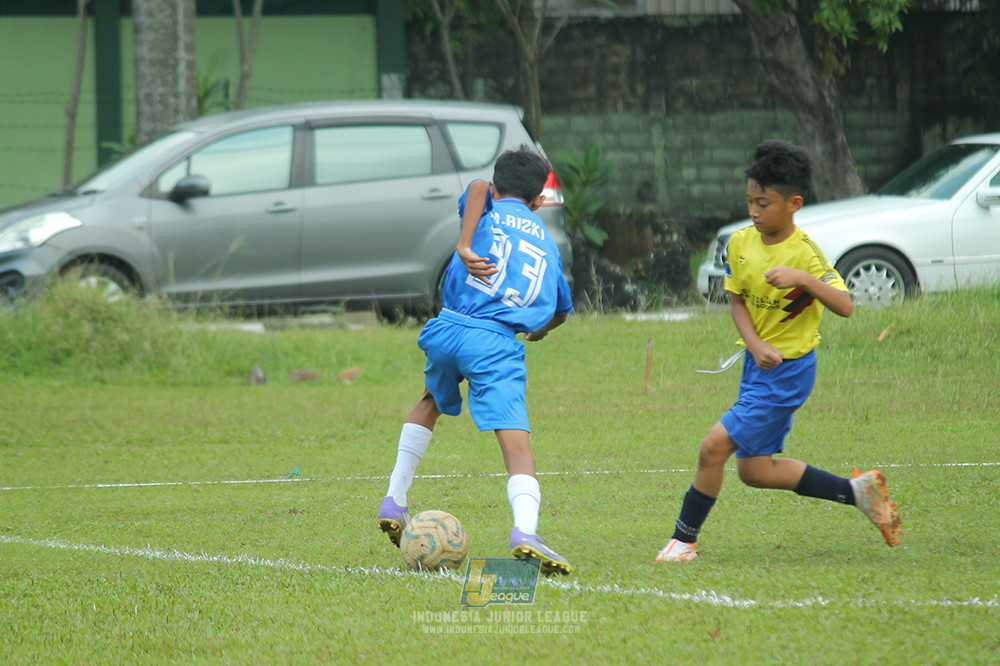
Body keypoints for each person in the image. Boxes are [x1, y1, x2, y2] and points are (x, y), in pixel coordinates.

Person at [656, 140, 902, 563]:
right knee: (755, 471)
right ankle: (857, 493)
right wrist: (754, 344)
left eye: (763, 203)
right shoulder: (739, 243)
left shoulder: (805, 253)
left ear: (794, 204)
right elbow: (736, 302)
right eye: (750, 200)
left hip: (789, 373)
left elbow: (845, 305)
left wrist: (803, 279)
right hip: (757, 366)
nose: (754, 210)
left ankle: (684, 541)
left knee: (712, 447)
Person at [377, 146, 575, 576]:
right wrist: (538, 331)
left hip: (449, 327)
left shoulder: (483, 206)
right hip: (495, 342)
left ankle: (394, 498)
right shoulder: (548, 242)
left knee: (429, 399)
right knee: (516, 443)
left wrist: (464, 244)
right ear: (539, 201)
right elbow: (562, 310)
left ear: (498, 185)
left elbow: (478, 185)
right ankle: (526, 532)